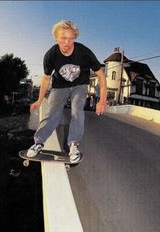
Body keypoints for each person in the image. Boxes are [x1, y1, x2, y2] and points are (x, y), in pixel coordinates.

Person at [27, 20, 107, 163]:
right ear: (56, 38)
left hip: (80, 85)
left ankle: (73, 144)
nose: (67, 43)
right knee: (53, 112)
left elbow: (101, 75)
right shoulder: (51, 55)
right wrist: (39, 100)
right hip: (59, 86)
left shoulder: (84, 52)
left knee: (77, 111)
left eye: (70, 39)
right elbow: (46, 79)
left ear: (74, 38)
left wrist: (102, 100)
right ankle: (38, 142)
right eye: (63, 38)